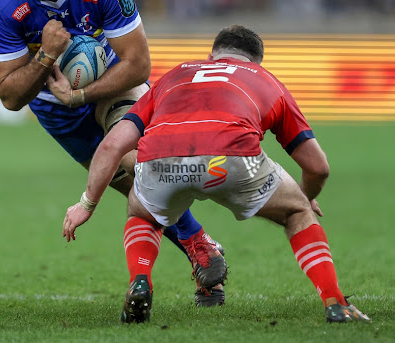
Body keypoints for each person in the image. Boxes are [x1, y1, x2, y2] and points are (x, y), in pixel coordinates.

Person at [0, 0, 227, 306]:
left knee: (142, 166)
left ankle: (197, 247)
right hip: (56, 109)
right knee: (132, 186)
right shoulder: (4, 2)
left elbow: (138, 63)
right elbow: (10, 96)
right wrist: (46, 55)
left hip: (116, 84)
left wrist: (84, 95)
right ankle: (202, 250)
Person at [62, 25, 371, 324]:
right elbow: (318, 166)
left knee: (142, 214)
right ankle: (335, 303)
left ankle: (140, 280)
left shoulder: (175, 75)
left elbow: (112, 145)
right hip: (229, 161)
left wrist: (86, 205)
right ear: (255, 61)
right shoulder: (266, 80)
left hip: (162, 159)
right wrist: (306, 197)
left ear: (212, 56)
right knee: (297, 213)